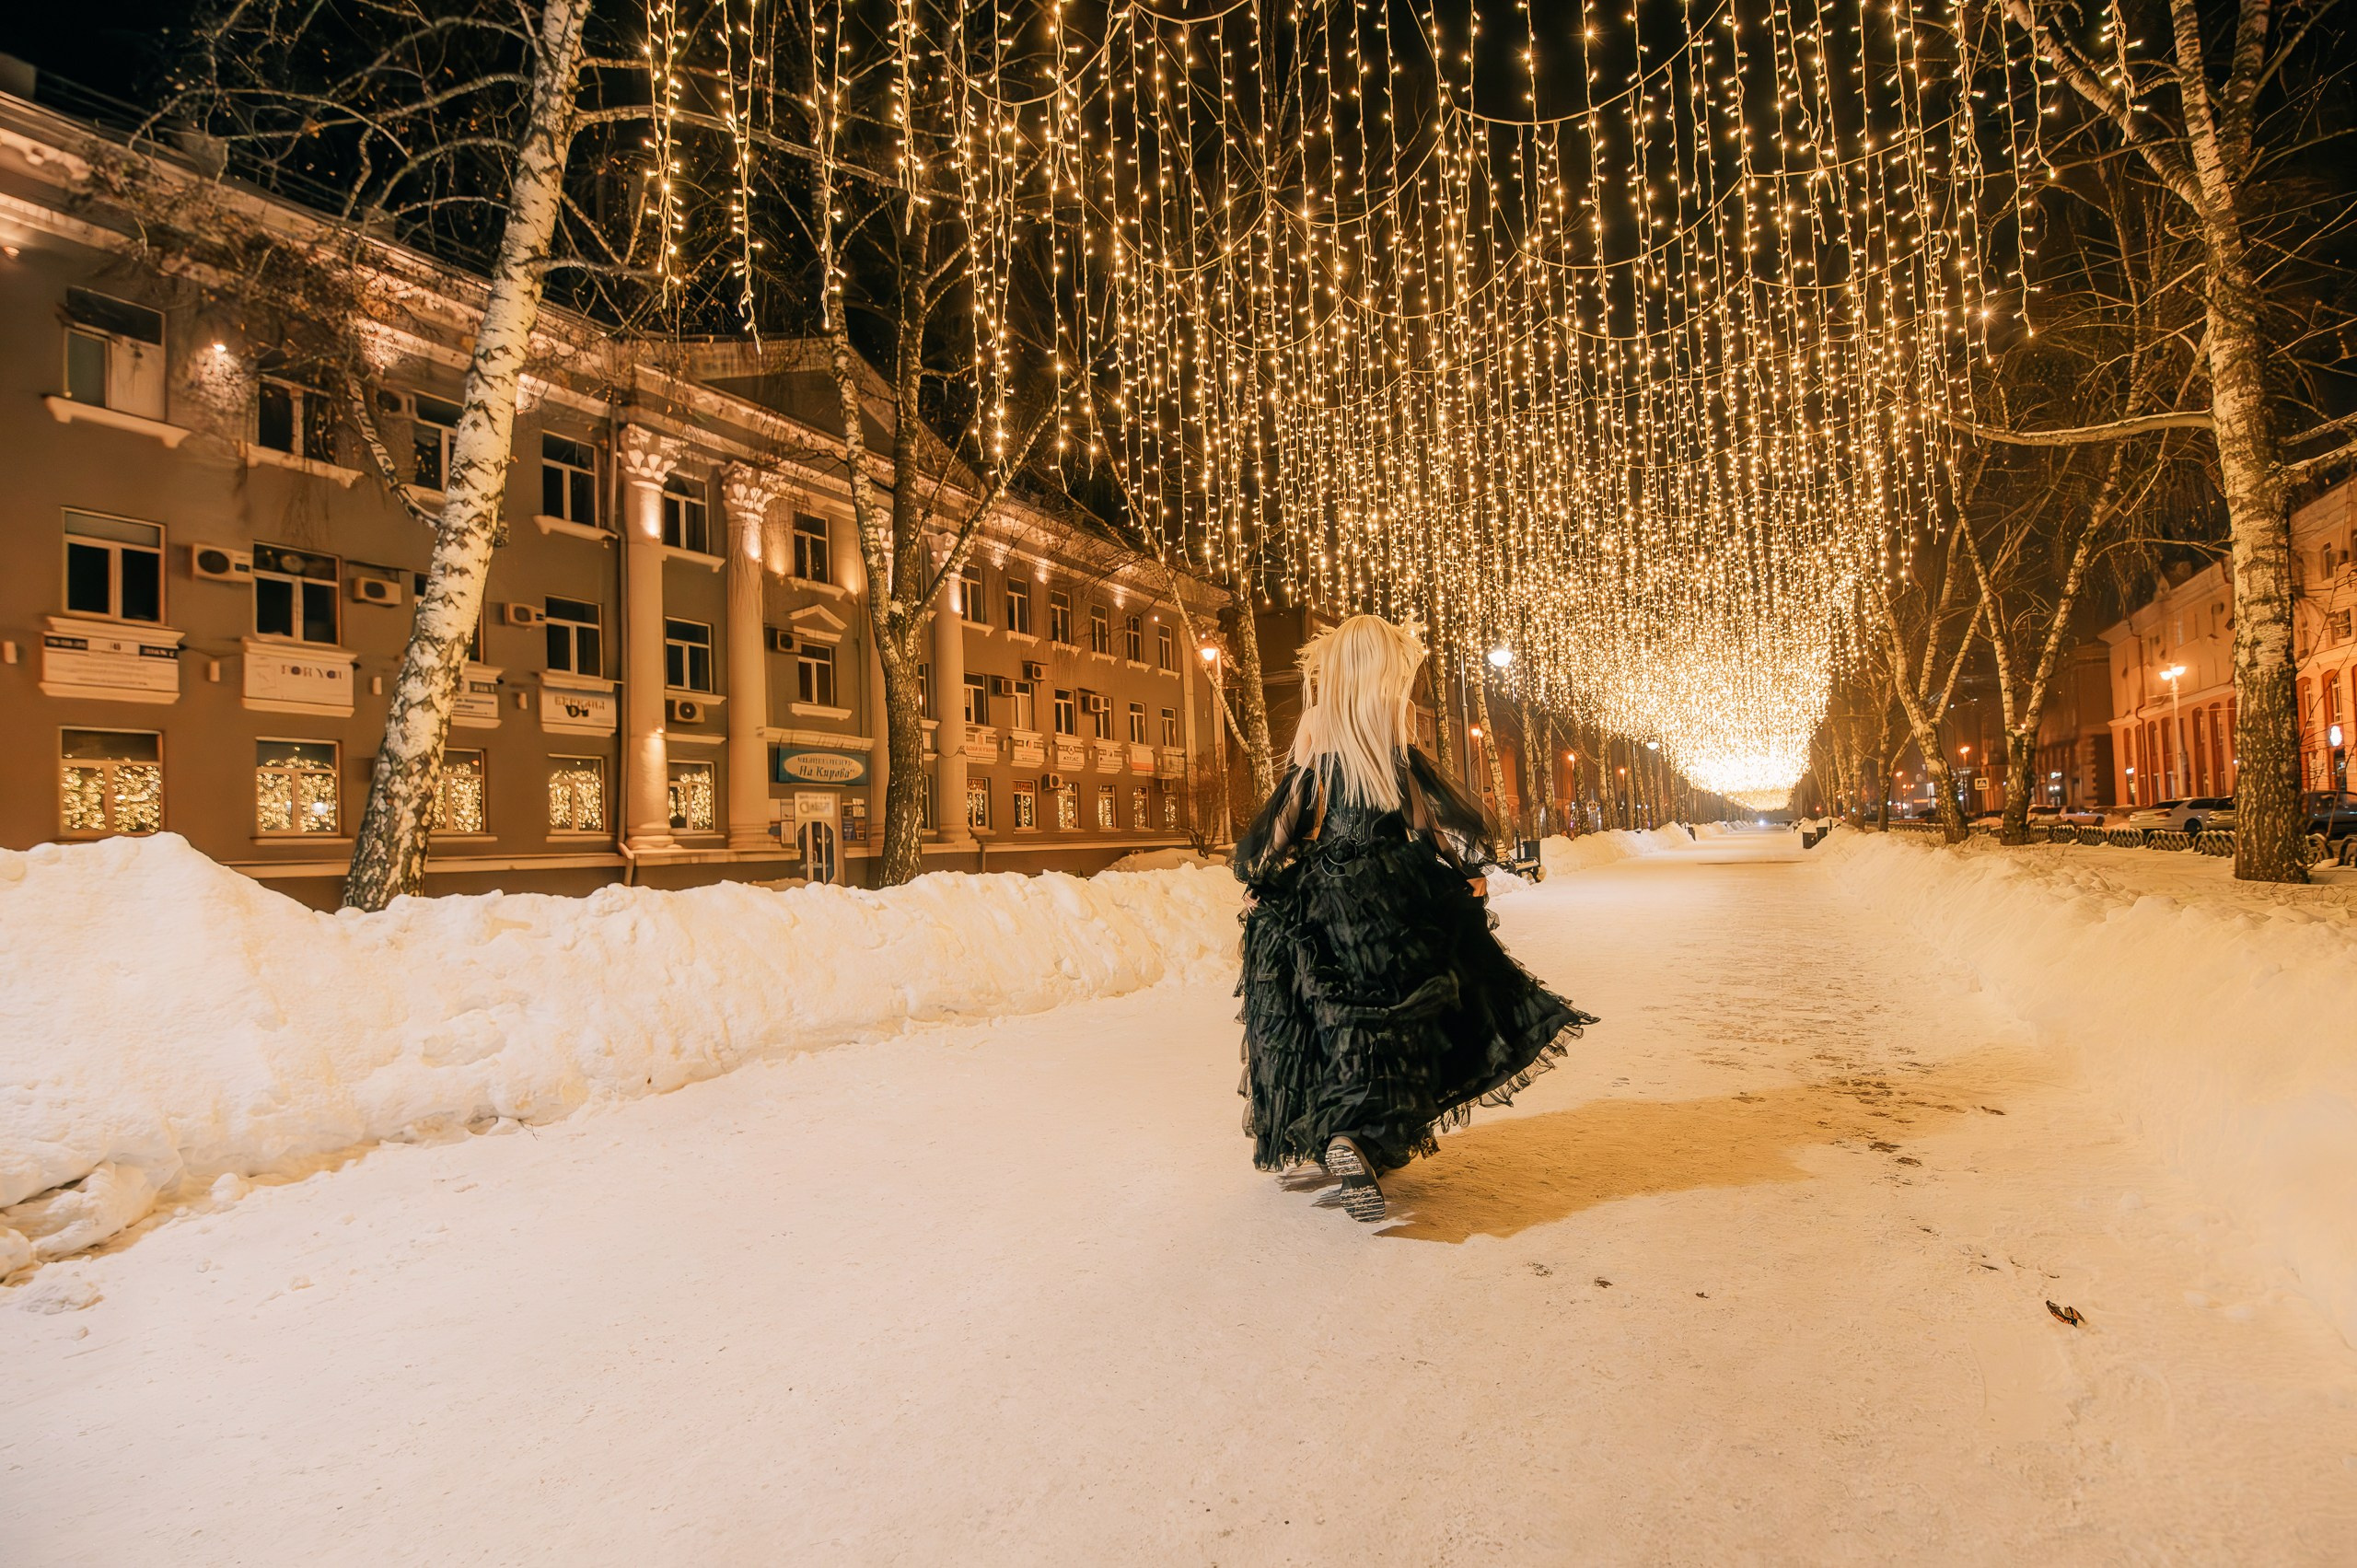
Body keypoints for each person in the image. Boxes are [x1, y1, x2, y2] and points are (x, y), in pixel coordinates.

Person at [1233, 613, 1597, 1223]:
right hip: (1397, 884)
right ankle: (1361, 1138)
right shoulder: (1391, 722)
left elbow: (1290, 814)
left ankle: (1346, 1133)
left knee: (1338, 1019)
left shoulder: (1316, 725)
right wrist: (1459, 873)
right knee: (1408, 1019)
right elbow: (1421, 819)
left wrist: (1265, 880)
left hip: (1329, 890)